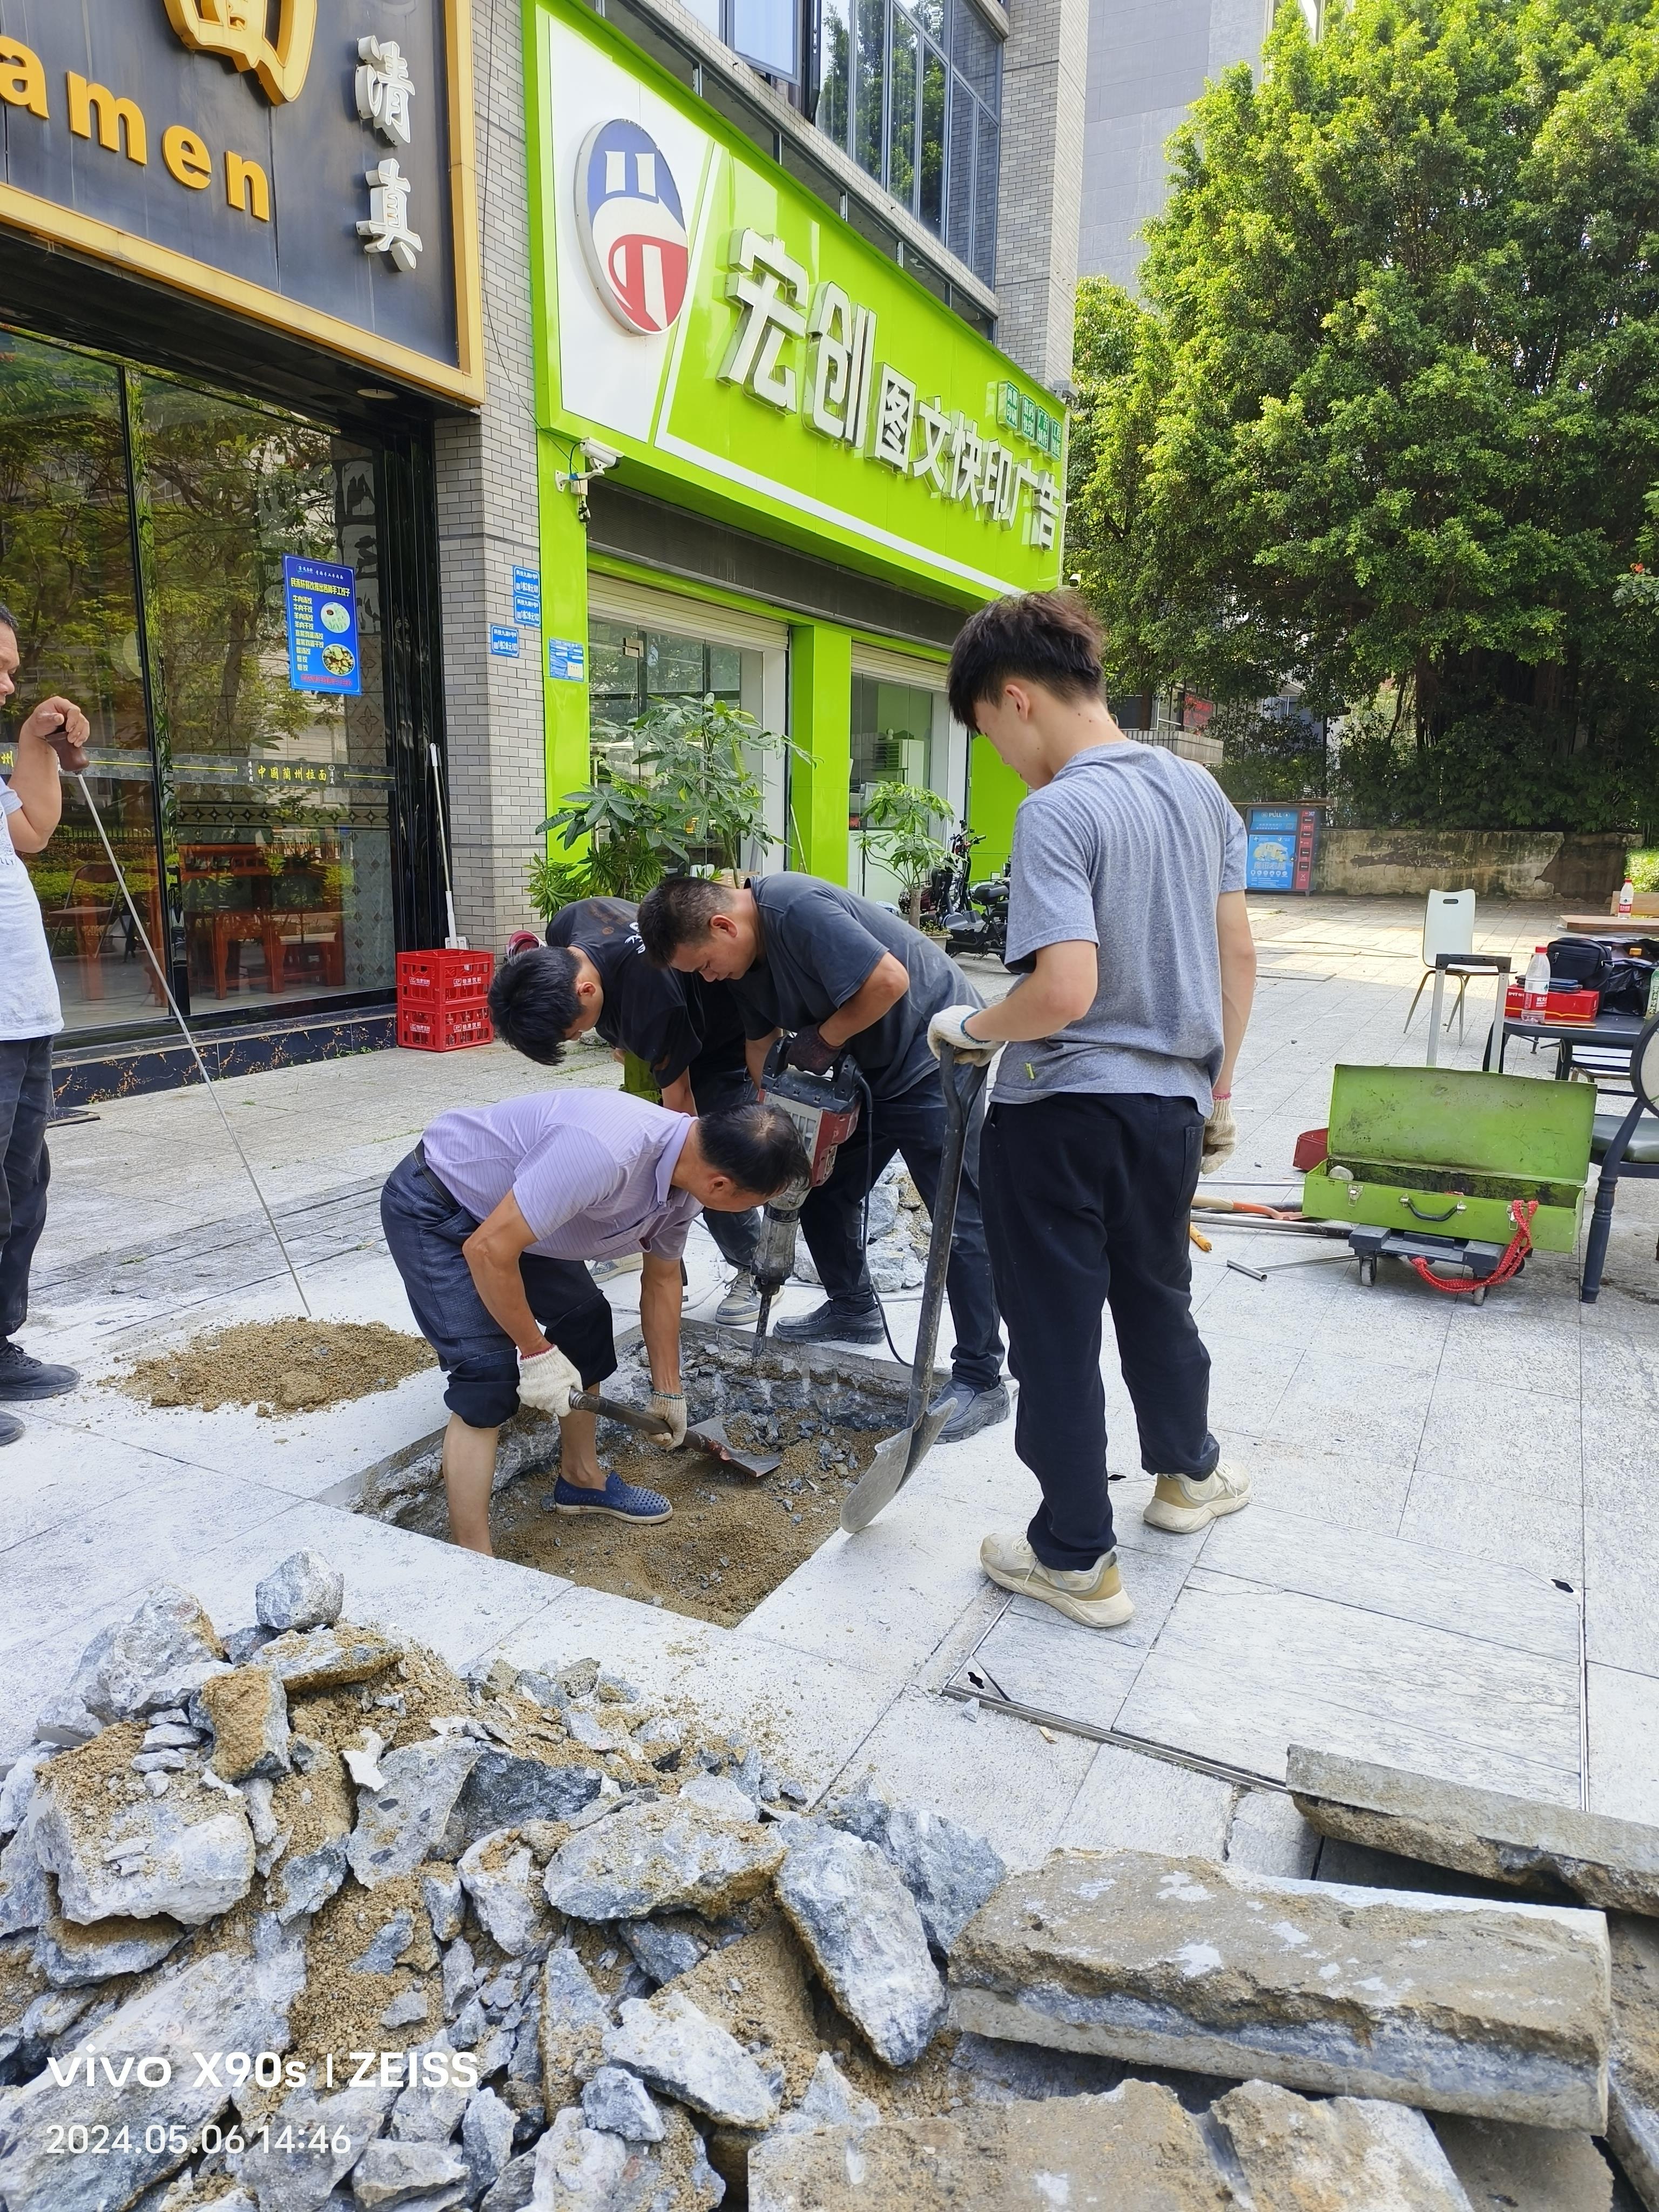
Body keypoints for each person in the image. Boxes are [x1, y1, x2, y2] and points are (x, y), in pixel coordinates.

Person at [932, 590, 1256, 1629]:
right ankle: (1186, 1477)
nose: (1002, 758)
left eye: (989, 734)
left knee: (1057, 1332)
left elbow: (1063, 991)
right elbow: (1234, 955)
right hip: (1169, 1110)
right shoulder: (1203, 797)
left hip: (1062, 1112)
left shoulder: (1060, 808)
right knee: (1157, 1295)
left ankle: (1074, 1554)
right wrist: (1217, 1090)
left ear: (1014, 698)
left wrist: (971, 1030)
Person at [635, 871, 1008, 1442]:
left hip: (935, 1051)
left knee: (957, 1216)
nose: (708, 977)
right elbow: (760, 1043)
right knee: (817, 1185)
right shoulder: (741, 962)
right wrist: (774, 1121)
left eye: (705, 965)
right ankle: (853, 1306)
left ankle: (982, 1379)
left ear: (722, 924)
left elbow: (889, 980)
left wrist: (827, 1039)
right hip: (868, 1073)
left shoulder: (793, 908)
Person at [380, 1086, 808, 1555]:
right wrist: (535, 1351)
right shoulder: (606, 1152)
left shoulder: (688, 1184)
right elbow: (487, 1250)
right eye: (754, 1202)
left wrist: (669, 1389)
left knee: (585, 1320)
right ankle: (474, 1557)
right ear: (722, 1185)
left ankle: (581, 1477)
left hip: (520, 1218)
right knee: (487, 1379)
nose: (749, 1212)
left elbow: (663, 1280)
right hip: (441, 1206)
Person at [500, 900, 763, 1327]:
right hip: (651, 1040)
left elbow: (682, 1114)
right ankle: (632, 1247)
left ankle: (753, 1268)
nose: (581, 1034)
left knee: (708, 1163)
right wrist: (622, 1035)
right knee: (633, 1156)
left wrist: (676, 1195)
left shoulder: (654, 1002)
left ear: (586, 991)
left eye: (576, 1030)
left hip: (717, 1048)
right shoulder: (570, 921)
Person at [0, 608, 90, 1450]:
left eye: (12, 668)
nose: (7, 681)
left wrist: (35, 739)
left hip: (23, 1016)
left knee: (22, 1189)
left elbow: (30, 831)